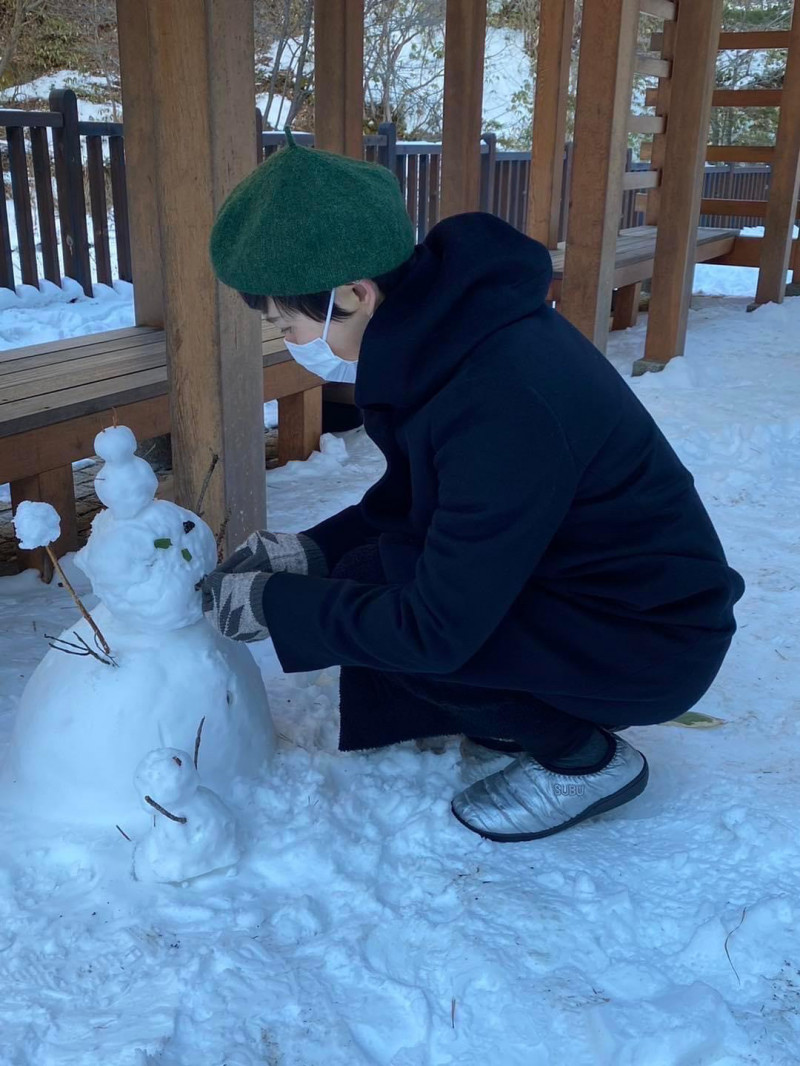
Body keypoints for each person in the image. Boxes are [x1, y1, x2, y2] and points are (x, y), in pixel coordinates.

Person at [202, 130, 744, 843]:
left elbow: (436, 629)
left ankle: (584, 759)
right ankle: (530, 704)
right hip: (588, 587)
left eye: (287, 321)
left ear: (354, 294)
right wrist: (310, 552)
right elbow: (419, 505)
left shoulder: (502, 396)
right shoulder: (450, 337)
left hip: (648, 635)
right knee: (371, 574)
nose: (289, 340)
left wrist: (279, 605)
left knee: (405, 628)